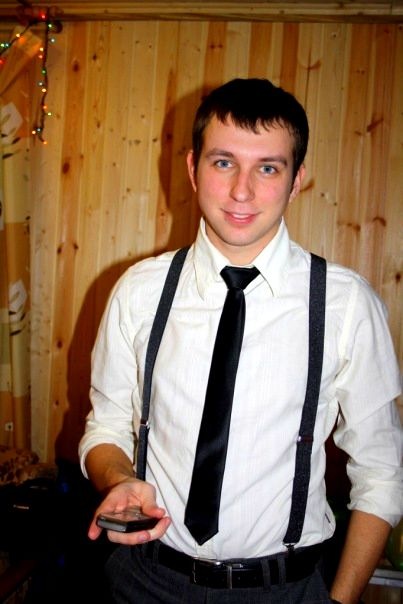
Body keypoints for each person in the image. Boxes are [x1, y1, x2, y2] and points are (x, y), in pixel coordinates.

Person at [79, 78, 402, 604]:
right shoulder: (140, 291)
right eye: (224, 162)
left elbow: (382, 474)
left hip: (286, 590)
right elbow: (107, 425)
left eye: (268, 168)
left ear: (296, 180)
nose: (242, 191)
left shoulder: (346, 305)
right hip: (145, 581)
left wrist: (339, 602)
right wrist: (118, 478)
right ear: (193, 168)